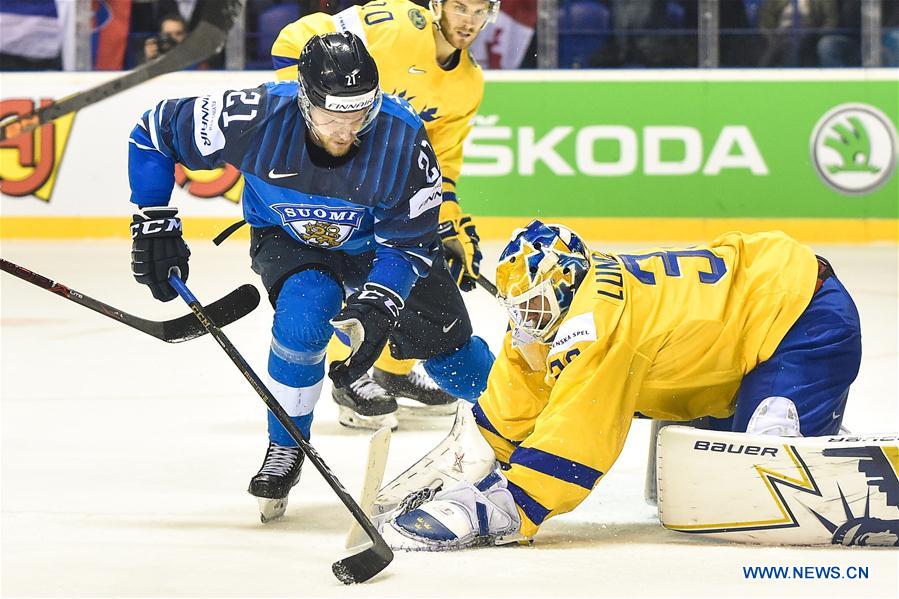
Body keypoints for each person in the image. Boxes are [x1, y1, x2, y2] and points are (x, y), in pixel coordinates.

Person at [126, 32, 493, 522]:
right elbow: (154, 131)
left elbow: (406, 245)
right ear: (303, 100)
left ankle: (523, 420)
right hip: (289, 238)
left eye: (358, 113)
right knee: (303, 313)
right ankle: (286, 443)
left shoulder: (403, 140)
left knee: (454, 359)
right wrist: (154, 221)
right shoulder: (252, 116)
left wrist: (380, 303)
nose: (344, 129)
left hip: (379, 248)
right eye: (330, 114)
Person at [377, 221, 862, 550]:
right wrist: (478, 453)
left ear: (567, 283)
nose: (523, 321)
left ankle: (801, 430)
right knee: (708, 484)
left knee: (768, 476)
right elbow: (515, 395)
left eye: (533, 306)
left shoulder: (593, 324)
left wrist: (509, 505)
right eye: (516, 306)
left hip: (803, 315)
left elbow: (577, 442)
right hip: (747, 318)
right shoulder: (550, 306)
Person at [271, 0, 500, 429]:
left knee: (419, 272)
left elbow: (442, 162)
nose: (469, 20)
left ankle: (392, 372)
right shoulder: (395, 24)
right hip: (332, 180)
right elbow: (293, 42)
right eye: (460, 7)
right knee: (343, 271)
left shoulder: (469, 83)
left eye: (480, 10)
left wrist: (447, 221)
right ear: (437, 6)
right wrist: (306, 124)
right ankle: (349, 374)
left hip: (391, 193)